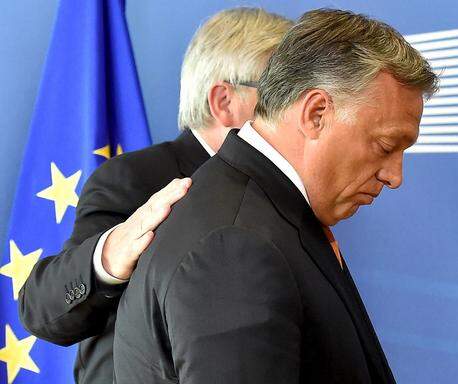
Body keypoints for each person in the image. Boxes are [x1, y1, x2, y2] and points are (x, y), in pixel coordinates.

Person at [113, 8, 438, 384]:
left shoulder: (268, 214)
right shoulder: (236, 246)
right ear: (316, 113)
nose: (394, 176)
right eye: (385, 145)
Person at [18, 8, 292, 384]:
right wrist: (111, 254)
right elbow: (40, 309)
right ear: (225, 102)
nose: (297, 112)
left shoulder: (285, 191)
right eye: (281, 94)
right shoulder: (136, 178)